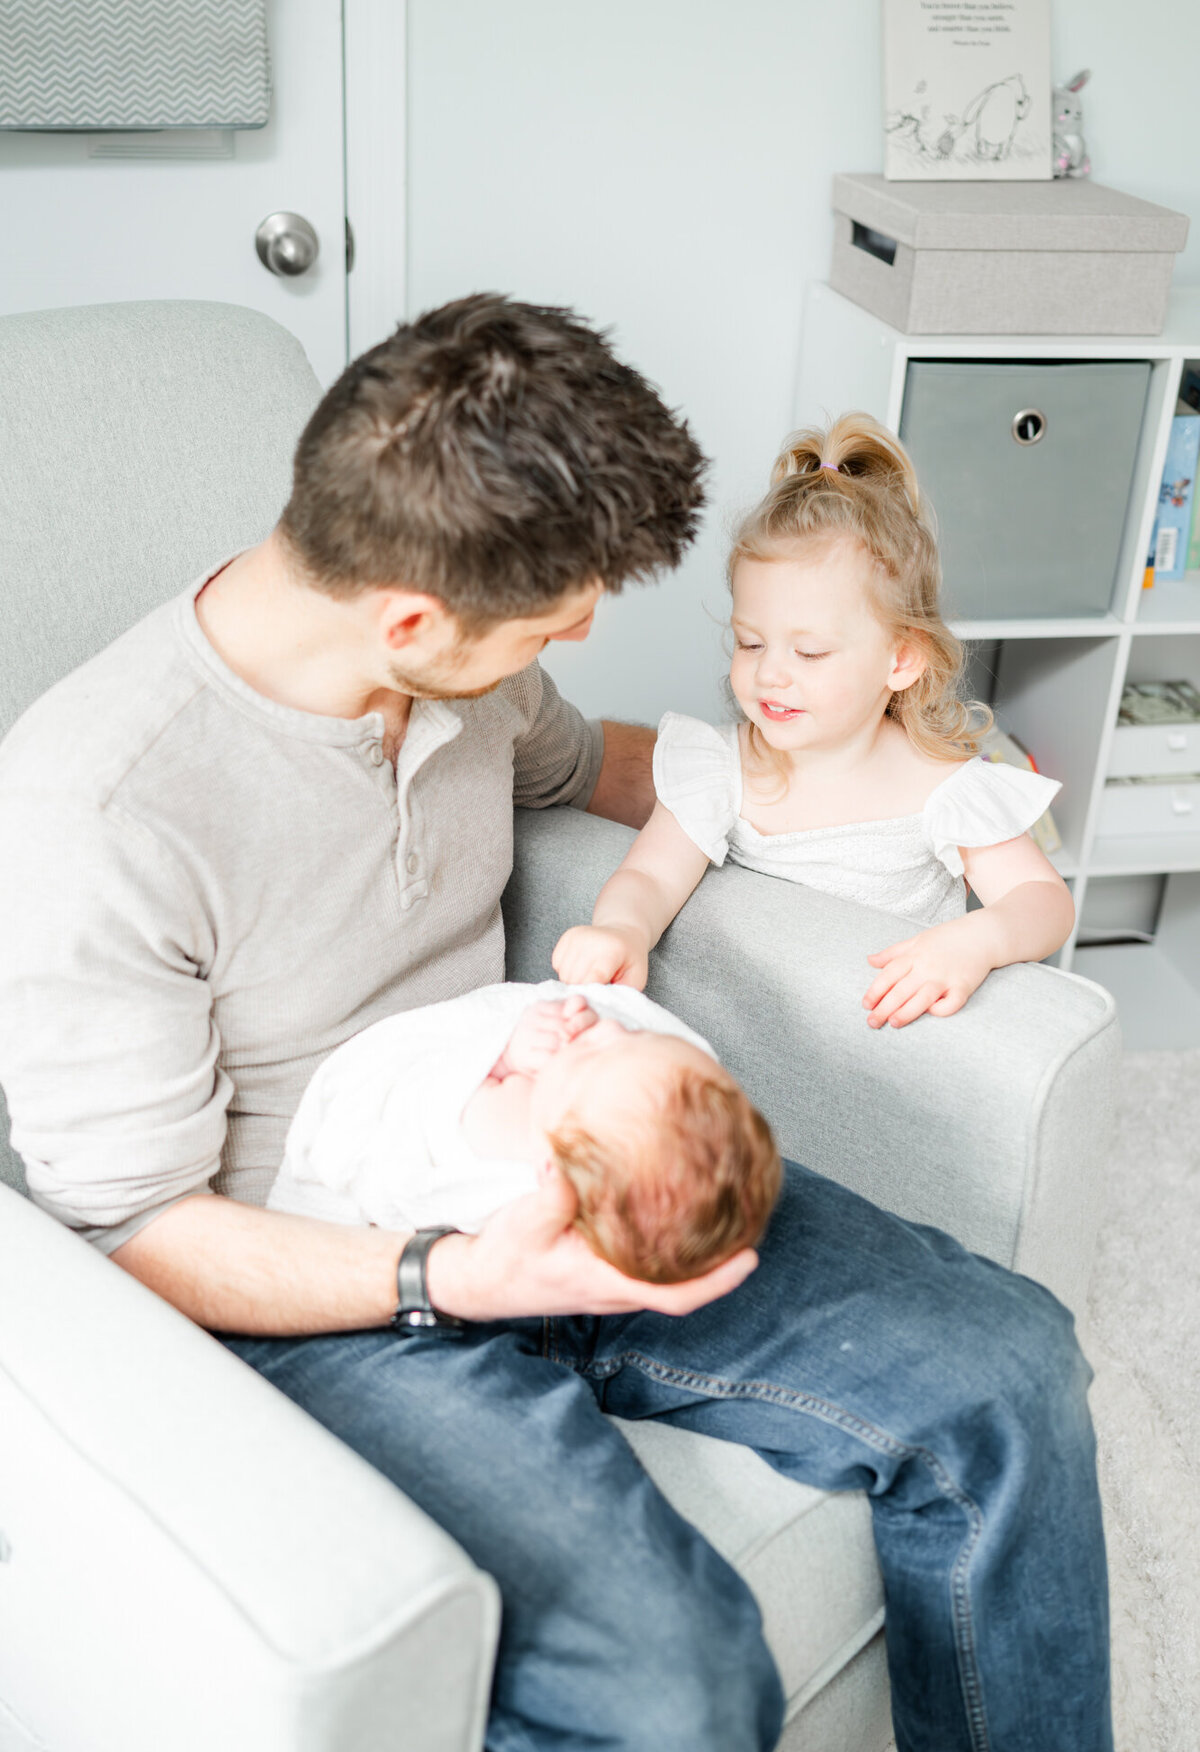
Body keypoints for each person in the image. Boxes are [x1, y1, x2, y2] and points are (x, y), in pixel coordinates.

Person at [0, 298, 1111, 1752]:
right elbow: (131, 1232)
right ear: (410, 619)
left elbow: (635, 771)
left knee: (1009, 1368)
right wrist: (460, 1274)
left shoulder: (470, 676)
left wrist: (902, 783)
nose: (581, 636)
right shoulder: (97, 812)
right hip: (343, 1285)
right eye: (560, 616)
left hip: (591, 1134)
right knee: (671, 1687)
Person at [554, 413, 1075, 1029]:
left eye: (810, 653)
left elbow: (1044, 905)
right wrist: (621, 929)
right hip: (748, 1028)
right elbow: (648, 875)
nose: (772, 673)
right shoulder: (719, 769)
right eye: (751, 643)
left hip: (878, 1042)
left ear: (901, 659)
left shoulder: (942, 788)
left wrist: (978, 939)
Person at [266, 981, 781, 1283]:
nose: (606, 1025)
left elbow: (425, 1110)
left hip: (352, 1241)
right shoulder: (589, 1128)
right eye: (631, 1035)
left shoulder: (508, 1134)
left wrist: (506, 1050)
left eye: (592, 1055)